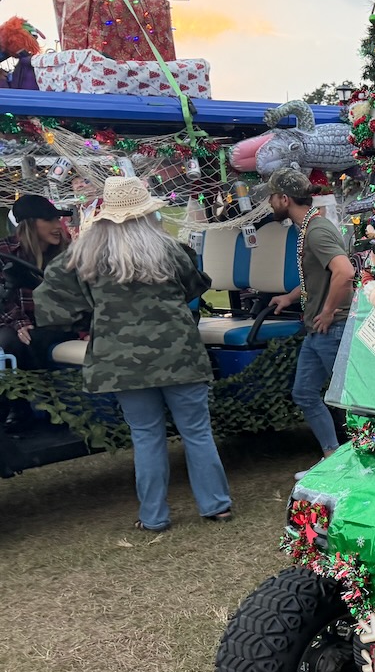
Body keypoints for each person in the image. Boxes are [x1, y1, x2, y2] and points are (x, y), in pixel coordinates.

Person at [31, 176, 231, 530]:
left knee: (146, 435)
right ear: (147, 212)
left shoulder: (84, 254)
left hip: (120, 360)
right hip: (179, 353)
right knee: (196, 431)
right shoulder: (169, 249)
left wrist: (87, 313)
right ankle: (216, 505)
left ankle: (153, 517)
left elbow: (50, 301)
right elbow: (195, 285)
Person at [265, 169, 354, 458]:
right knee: (304, 393)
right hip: (318, 330)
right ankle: (331, 458)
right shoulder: (309, 228)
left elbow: (345, 272)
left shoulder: (316, 231)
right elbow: (320, 276)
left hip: (331, 327)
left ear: (284, 198)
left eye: (272, 197)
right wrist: (290, 297)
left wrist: (328, 312)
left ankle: (364, 460)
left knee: (349, 401)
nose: (269, 202)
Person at [0, 194, 78, 371]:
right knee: (11, 341)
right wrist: (19, 323)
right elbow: (3, 301)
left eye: (57, 219)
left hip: (55, 324)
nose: (58, 225)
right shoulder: (4, 251)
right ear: (30, 223)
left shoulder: (68, 253)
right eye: (49, 220)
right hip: (13, 323)